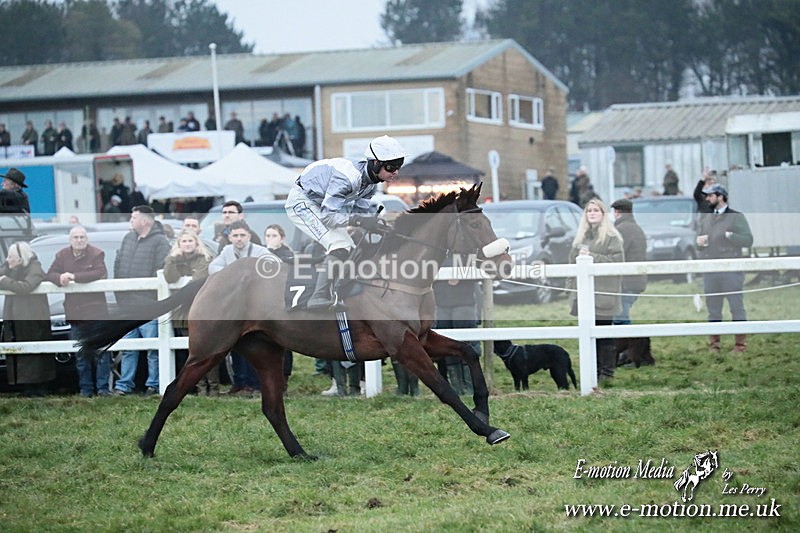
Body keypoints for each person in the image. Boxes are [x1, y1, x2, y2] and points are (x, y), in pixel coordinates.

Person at [285, 134, 406, 310]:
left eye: (398, 167)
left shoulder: (371, 184)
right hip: (301, 204)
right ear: (375, 163)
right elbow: (328, 216)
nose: (395, 172)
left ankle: (336, 290)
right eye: (391, 167)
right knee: (340, 244)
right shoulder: (347, 179)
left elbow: (360, 215)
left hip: (318, 203)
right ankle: (317, 297)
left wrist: (372, 225)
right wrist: (359, 221)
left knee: (351, 244)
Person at [208, 220, 275, 396]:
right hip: (237, 307)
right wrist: (231, 274)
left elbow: (275, 266)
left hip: (257, 307)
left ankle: (255, 385)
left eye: (242, 235)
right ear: (229, 237)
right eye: (235, 236)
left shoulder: (260, 251)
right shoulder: (227, 251)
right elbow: (213, 267)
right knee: (236, 345)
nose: (239, 239)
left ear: (249, 236)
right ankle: (239, 383)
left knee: (256, 347)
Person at [45, 226, 111, 397]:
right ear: (70, 240)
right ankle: (85, 390)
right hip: (75, 313)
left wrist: (73, 276)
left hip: (97, 312)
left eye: (82, 237)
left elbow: (99, 272)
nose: (79, 240)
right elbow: (50, 273)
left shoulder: (97, 253)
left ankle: (103, 389)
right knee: (81, 355)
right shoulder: (62, 255)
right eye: (76, 237)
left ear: (87, 239)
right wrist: (60, 278)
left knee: (101, 353)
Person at [113, 206, 171, 395]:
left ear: (144, 221)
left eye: (134, 217)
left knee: (153, 348)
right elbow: (118, 264)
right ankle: (124, 385)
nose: (131, 220)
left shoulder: (160, 242)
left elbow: (160, 269)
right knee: (128, 347)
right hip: (127, 305)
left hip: (149, 305)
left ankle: (153, 384)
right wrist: (120, 293)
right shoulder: (128, 238)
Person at [567, 198, 624, 382]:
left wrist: (592, 257)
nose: (592, 213)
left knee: (604, 334)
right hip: (583, 296)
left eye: (596, 210)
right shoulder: (579, 239)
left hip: (604, 295)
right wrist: (570, 290)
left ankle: (606, 373)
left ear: (603, 214)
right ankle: (591, 371)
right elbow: (570, 266)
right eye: (589, 210)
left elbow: (617, 262)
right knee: (587, 335)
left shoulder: (612, 238)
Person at [696, 183, 753, 353]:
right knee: (713, 309)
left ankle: (740, 345)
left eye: (711, 195)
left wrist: (730, 236)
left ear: (720, 197)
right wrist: (698, 243)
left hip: (730, 270)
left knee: (736, 307)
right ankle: (714, 345)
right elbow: (699, 241)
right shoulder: (706, 218)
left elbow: (748, 240)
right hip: (711, 270)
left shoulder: (736, 217)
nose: (707, 199)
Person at [163, 229, 216, 394]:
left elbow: (197, 280)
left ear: (196, 243)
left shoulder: (205, 259)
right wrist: (171, 260)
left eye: (190, 241)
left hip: (204, 311)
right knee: (191, 353)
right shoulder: (174, 260)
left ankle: (213, 387)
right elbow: (170, 278)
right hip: (184, 313)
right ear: (179, 244)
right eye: (184, 241)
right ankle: (199, 387)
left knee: (210, 350)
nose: (187, 244)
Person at [0, 241, 55, 396]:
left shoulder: (35, 269)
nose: (8, 260)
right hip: (17, 318)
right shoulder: (12, 267)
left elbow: (25, 287)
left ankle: (39, 391)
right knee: (20, 352)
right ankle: (27, 389)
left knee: (36, 355)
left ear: (20, 259)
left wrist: (4, 281)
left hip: (33, 319)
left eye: (11, 257)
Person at [610, 198, 650, 366]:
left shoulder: (622, 230)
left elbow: (614, 254)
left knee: (621, 319)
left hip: (625, 282)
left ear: (617, 212)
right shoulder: (635, 228)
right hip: (634, 281)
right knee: (621, 317)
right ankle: (634, 355)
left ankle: (631, 355)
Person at [433, 254, 480, 395]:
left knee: (468, 343)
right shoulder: (435, 253)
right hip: (441, 303)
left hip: (463, 303)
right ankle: (457, 387)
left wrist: (461, 274)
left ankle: (471, 386)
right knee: (447, 344)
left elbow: (482, 270)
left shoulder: (469, 252)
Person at [264, 224, 295, 392]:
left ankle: (284, 380)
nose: (270, 239)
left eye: (274, 236)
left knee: (285, 343)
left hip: (283, 302)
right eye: (267, 236)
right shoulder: (262, 255)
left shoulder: (288, 255)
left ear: (282, 238)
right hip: (264, 304)